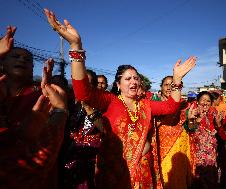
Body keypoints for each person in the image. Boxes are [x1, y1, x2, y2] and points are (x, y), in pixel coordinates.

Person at [44, 8, 196, 189]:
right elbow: (83, 93)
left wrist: (177, 80)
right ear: (118, 85)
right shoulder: (110, 101)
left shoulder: (146, 104)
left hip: (143, 172)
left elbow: (171, 107)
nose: (133, 81)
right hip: (114, 173)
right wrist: (76, 46)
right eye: (128, 78)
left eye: (136, 78)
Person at [0, 26, 68, 189]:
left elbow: (50, 136)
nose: (22, 60)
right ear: (2, 63)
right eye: (15, 56)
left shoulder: (42, 95)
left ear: (32, 69)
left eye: (28, 60)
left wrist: (59, 108)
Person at [153, 75, 194, 189]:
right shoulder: (154, 104)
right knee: (162, 177)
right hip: (159, 147)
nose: (169, 88)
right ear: (161, 87)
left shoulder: (184, 105)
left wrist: (190, 120)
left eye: (172, 85)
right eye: (166, 85)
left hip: (179, 148)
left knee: (177, 178)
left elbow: (190, 128)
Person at [185, 91, 220, 188]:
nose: (205, 103)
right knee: (198, 179)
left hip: (211, 153)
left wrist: (218, 125)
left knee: (210, 178)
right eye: (203, 100)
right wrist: (197, 119)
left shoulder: (213, 113)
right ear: (198, 101)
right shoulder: (192, 112)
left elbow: (217, 130)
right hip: (197, 152)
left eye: (208, 101)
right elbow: (190, 129)